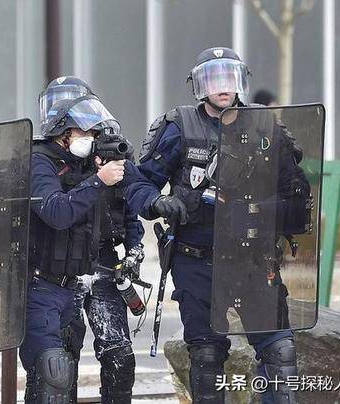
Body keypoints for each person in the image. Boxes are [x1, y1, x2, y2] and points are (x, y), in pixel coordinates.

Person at [126, 47, 307, 403]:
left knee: (280, 351)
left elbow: (297, 195)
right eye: (213, 79)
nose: (222, 87)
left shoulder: (264, 125)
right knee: (207, 357)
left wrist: (254, 211)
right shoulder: (179, 126)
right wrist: (158, 202)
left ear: (240, 82)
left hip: (254, 259)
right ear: (199, 86)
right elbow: (139, 182)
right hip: (197, 259)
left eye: (229, 78)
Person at [20, 92, 134, 403]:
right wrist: (98, 180)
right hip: (40, 285)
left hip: (72, 284)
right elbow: (57, 213)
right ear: (62, 132)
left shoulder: (84, 165)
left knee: (96, 362)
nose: (91, 138)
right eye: (84, 132)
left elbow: (125, 206)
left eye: (94, 133)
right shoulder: (39, 162)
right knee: (51, 372)